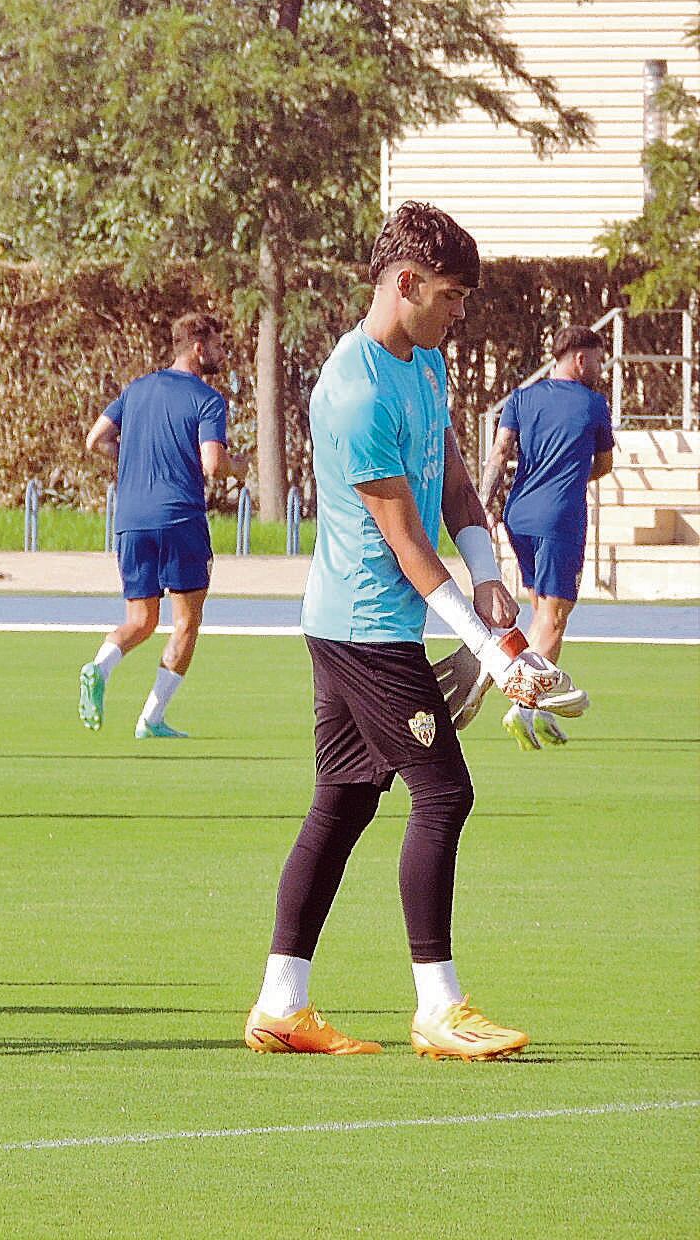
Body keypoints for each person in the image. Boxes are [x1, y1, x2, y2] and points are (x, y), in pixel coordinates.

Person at [245, 202, 552, 1061]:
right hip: (365, 630)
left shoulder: (425, 367)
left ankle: (280, 1005)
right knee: (445, 794)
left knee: (343, 803)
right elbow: (409, 547)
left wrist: (490, 584)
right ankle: (438, 1008)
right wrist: (497, 652)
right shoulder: (352, 390)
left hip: (360, 626)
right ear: (406, 282)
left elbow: (453, 488)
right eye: (451, 296)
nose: (460, 314)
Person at [77, 314, 242, 738]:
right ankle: (151, 719)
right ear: (199, 349)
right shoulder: (207, 398)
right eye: (218, 345)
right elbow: (213, 464)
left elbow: (95, 440)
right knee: (185, 622)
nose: (222, 353)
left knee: (141, 619)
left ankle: (99, 667)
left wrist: (134, 455)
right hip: (180, 519)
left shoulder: (136, 389)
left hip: (131, 520)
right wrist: (238, 466)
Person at [481, 324, 614, 748]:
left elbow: (499, 453)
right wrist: (570, 476)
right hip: (560, 518)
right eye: (598, 360)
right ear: (579, 359)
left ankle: (539, 710)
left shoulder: (520, 398)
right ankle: (522, 704)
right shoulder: (594, 404)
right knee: (554, 618)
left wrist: (483, 504)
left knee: (541, 611)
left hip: (519, 515)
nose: (600, 368)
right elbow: (604, 464)